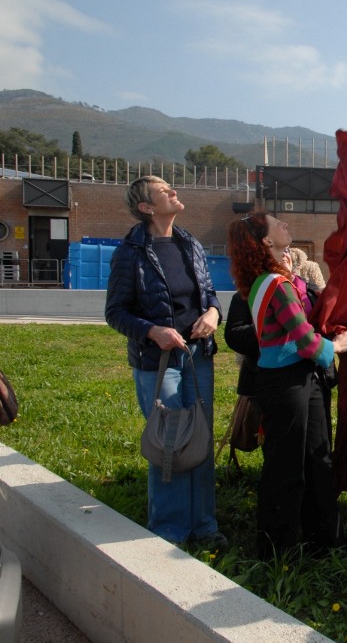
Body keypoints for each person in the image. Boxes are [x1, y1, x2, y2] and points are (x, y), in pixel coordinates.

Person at [105, 176, 224, 548]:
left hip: (198, 356)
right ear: (146, 207)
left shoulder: (191, 243)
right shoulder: (131, 252)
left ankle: (204, 527)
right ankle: (169, 531)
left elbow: (210, 296)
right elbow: (115, 312)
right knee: (170, 443)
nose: (174, 193)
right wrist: (154, 331)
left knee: (200, 439)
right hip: (159, 361)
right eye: (164, 191)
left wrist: (213, 316)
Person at [227, 211, 347, 558]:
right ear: (266, 241)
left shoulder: (272, 281)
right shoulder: (276, 285)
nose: (285, 225)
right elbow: (305, 342)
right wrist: (337, 347)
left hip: (301, 380)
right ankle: (277, 550)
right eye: (276, 223)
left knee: (316, 459)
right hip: (286, 383)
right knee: (286, 468)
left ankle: (325, 538)